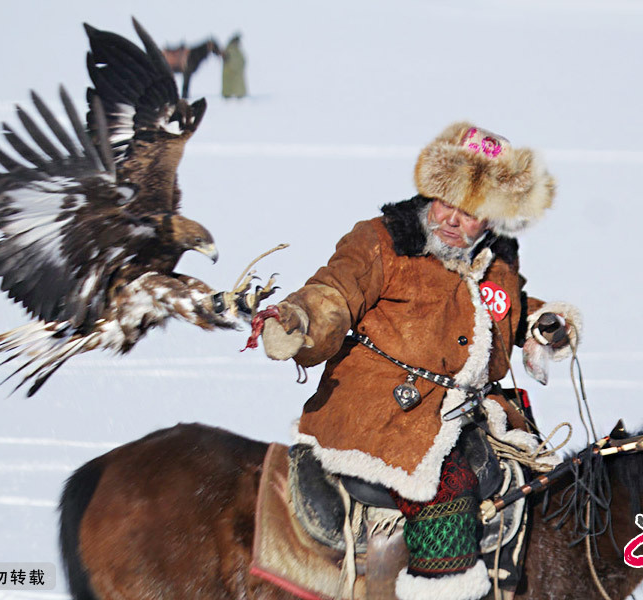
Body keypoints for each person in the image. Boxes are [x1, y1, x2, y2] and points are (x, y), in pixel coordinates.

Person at [260, 122, 582, 600]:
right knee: (444, 489)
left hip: (465, 414)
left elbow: (499, 313)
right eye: (443, 200)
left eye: (469, 211)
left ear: (492, 218)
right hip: (384, 413)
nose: (450, 219)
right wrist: (298, 319)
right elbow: (333, 293)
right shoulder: (383, 242)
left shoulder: (496, 262)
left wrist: (541, 323)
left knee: (539, 489)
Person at [221, 33, 247, 98]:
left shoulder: (235, 49)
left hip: (236, 72)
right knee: (230, 85)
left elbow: (241, 60)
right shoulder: (230, 49)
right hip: (231, 72)